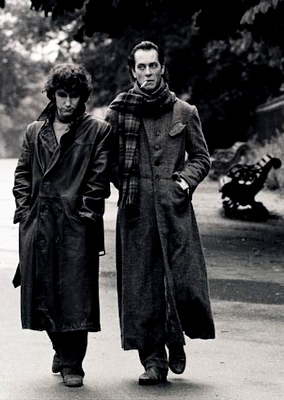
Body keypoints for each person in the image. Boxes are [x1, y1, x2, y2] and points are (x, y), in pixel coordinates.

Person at [105, 40, 215, 385]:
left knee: (181, 280)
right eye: (142, 67)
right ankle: (153, 360)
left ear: (162, 68)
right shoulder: (118, 113)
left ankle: (175, 339)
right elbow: (108, 160)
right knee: (142, 286)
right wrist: (127, 184)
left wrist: (182, 183)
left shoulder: (184, 111)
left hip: (174, 210)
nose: (148, 73)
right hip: (135, 212)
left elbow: (202, 158)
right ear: (132, 72)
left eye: (153, 66)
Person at [11, 63, 112, 388]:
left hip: (75, 225)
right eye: (62, 95)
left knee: (75, 296)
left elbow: (98, 181)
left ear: (84, 97)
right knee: (41, 293)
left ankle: (73, 363)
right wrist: (25, 211)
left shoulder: (97, 131)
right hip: (39, 223)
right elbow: (22, 174)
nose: (68, 103)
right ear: (52, 95)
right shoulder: (34, 131)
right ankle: (60, 348)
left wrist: (85, 216)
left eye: (74, 96)